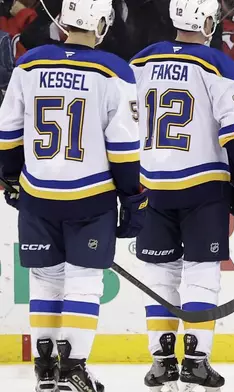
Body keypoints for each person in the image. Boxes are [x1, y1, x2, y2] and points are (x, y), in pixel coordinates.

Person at [129, 0, 234, 391]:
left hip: (152, 184)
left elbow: (122, 125)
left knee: (160, 273)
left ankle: (162, 362)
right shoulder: (217, 63)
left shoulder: (140, 61)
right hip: (202, 186)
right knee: (200, 272)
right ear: (206, 20)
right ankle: (196, 361)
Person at [0, 0, 145, 391]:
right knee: (84, 283)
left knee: (45, 280)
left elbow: (8, 131)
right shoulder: (114, 69)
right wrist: (132, 197)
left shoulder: (29, 64)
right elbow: (125, 149)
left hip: (37, 194)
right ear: (99, 23)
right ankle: (73, 367)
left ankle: (45, 368)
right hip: (90, 197)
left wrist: (11, 178)